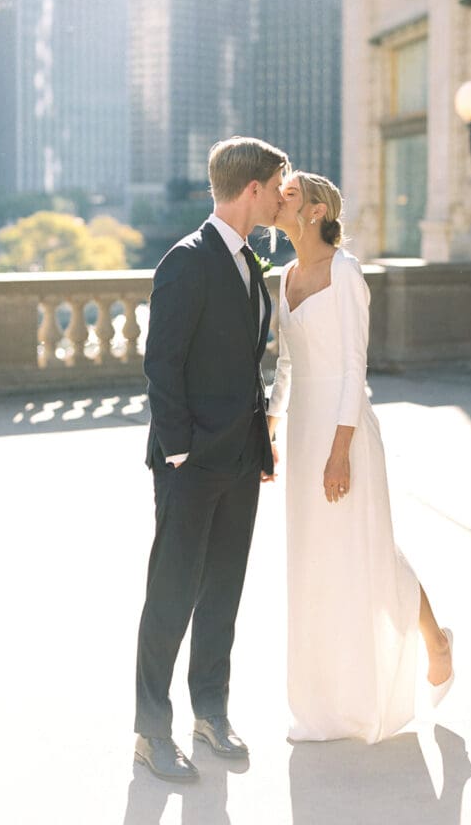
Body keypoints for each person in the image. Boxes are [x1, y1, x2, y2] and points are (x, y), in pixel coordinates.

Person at [266, 171, 454, 744]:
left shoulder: (345, 272)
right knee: (316, 559)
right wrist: (270, 425)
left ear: (316, 211)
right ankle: (325, 698)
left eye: (290, 194)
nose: (278, 200)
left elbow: (354, 365)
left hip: (344, 430)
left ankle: (435, 641)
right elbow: (287, 363)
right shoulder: (285, 275)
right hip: (304, 431)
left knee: (366, 548)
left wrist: (340, 450)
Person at [134, 136, 290, 782]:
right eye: (277, 187)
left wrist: (260, 442)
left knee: (223, 591)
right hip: (190, 463)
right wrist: (179, 450)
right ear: (251, 188)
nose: (282, 198)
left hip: (241, 458)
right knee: (171, 595)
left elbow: (246, 366)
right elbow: (161, 363)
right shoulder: (186, 259)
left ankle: (210, 713)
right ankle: (151, 733)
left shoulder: (249, 260)